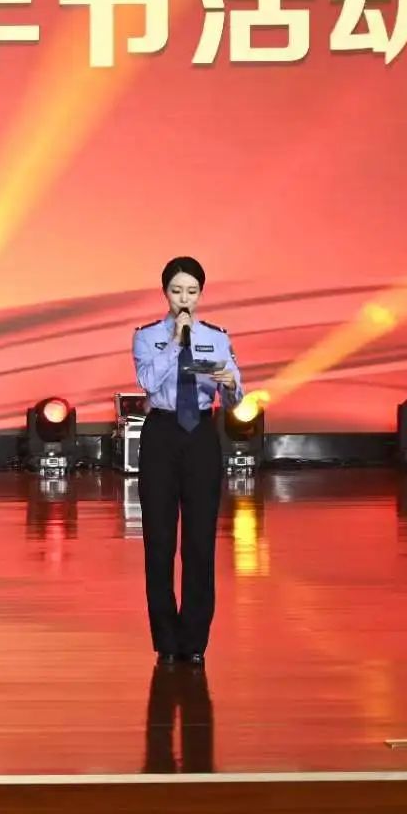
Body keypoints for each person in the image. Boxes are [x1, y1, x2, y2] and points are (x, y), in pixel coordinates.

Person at [133, 256, 242, 668]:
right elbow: (147, 381)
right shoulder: (147, 337)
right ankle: (165, 640)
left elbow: (234, 399)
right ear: (165, 293)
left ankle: (195, 641)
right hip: (161, 433)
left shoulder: (216, 337)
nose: (184, 299)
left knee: (199, 542)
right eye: (177, 291)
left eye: (191, 291)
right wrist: (178, 342)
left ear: (201, 294)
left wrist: (230, 387)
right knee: (159, 541)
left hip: (200, 436)